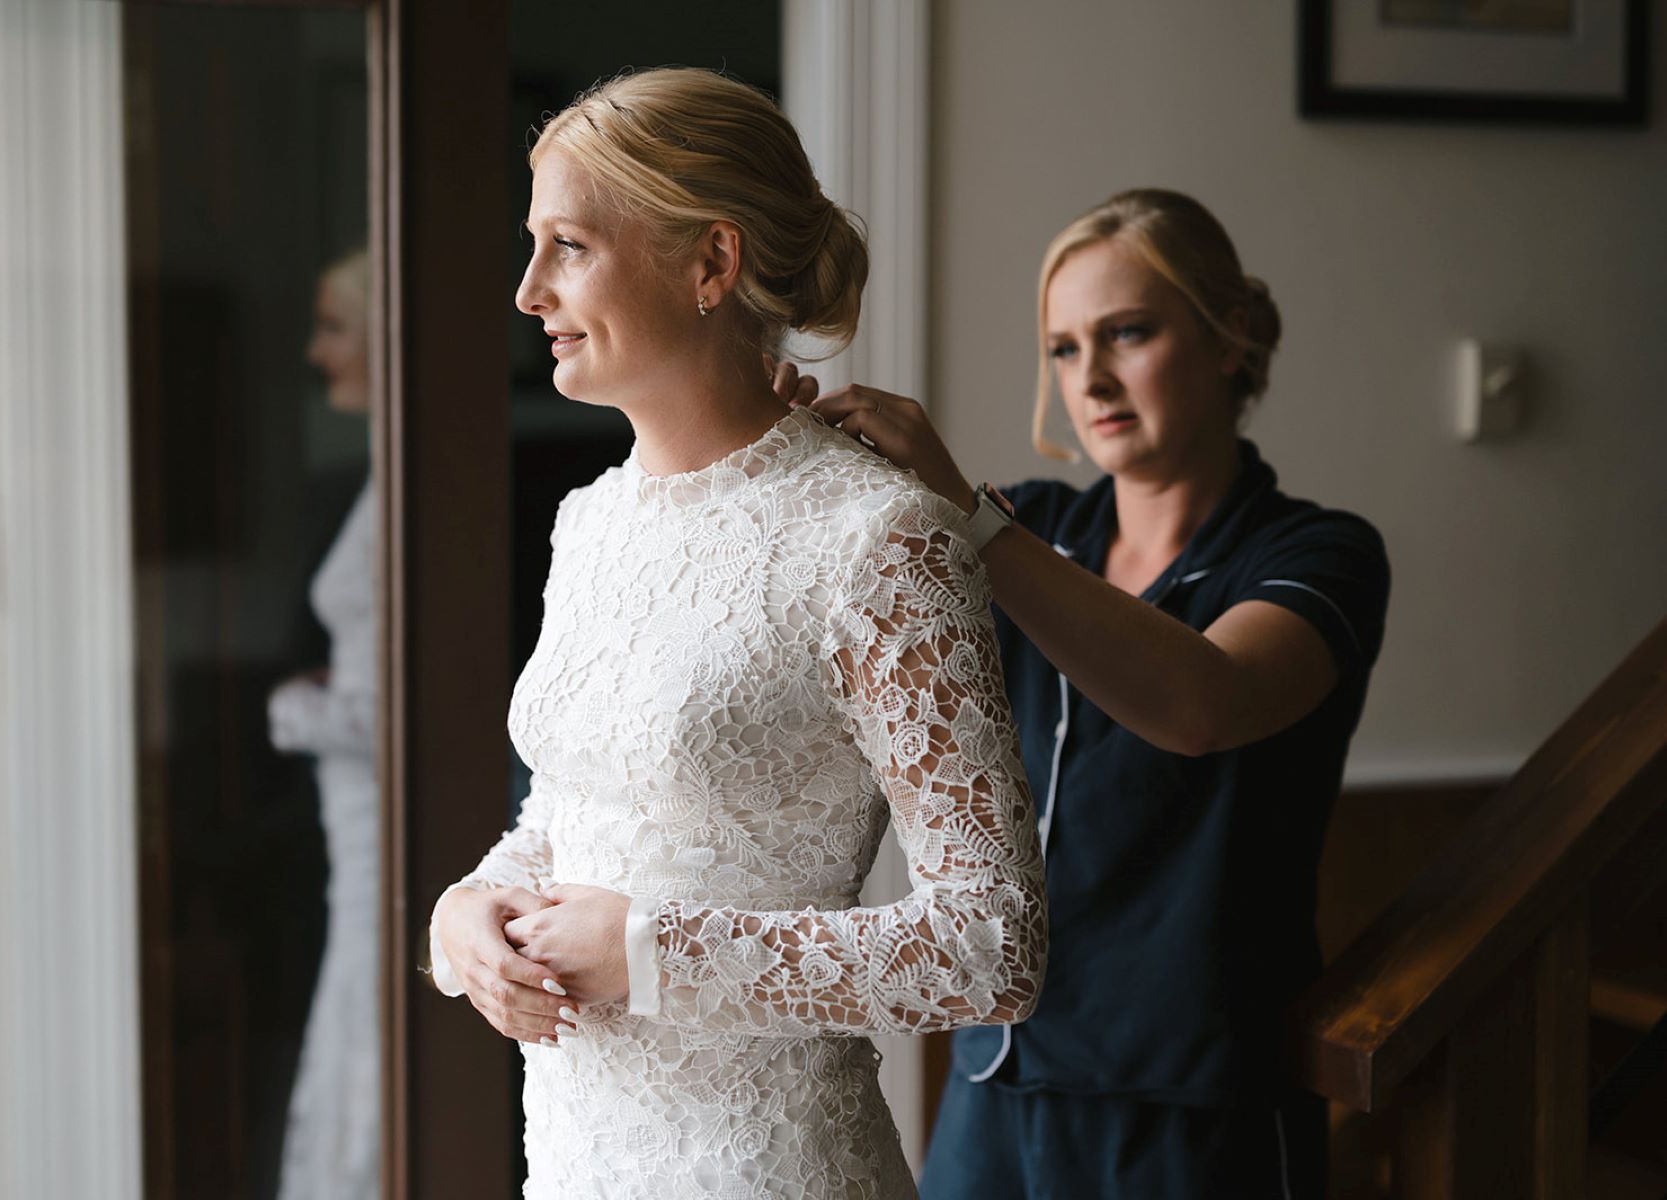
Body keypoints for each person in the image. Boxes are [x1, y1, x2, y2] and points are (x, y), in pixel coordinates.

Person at [425, 68, 1047, 1199]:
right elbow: (573, 809)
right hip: (574, 1161)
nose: (526, 293)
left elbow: (992, 945)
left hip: (771, 1170)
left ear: (710, 263)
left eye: (567, 245)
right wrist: (469, 910)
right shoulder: (589, 524)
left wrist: (659, 954)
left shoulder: (879, 542)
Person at [787, 189, 1391, 1198]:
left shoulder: (1319, 552)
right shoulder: (1037, 526)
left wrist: (974, 524)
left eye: (1130, 334)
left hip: (1192, 1101)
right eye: (1065, 348)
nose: (1093, 377)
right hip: (998, 1069)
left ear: (1231, 336)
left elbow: (1205, 704)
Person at [269, 247, 381, 1200]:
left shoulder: (408, 497)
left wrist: (293, 711)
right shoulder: (380, 478)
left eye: (334, 327)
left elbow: (395, 711)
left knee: (371, 1004)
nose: (317, 351)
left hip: (383, 811)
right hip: (351, 814)